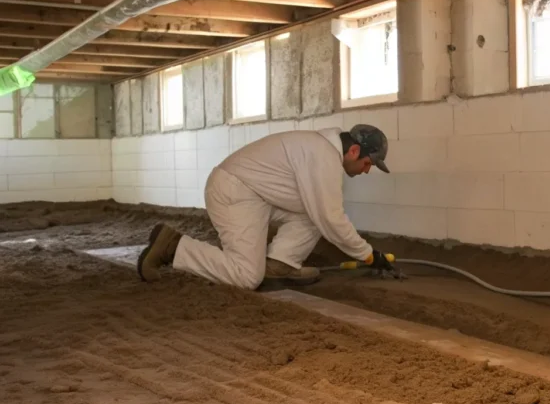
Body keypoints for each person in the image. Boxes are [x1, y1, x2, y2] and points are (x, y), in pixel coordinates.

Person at [136, 124, 397, 289]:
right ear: (353, 152)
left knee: (313, 214)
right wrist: (369, 254)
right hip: (235, 192)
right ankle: (173, 246)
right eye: (368, 164)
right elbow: (332, 219)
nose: (366, 170)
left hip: (254, 194)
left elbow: (322, 214)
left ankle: (280, 264)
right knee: (246, 277)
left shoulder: (320, 149)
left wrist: (366, 253)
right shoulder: (323, 156)